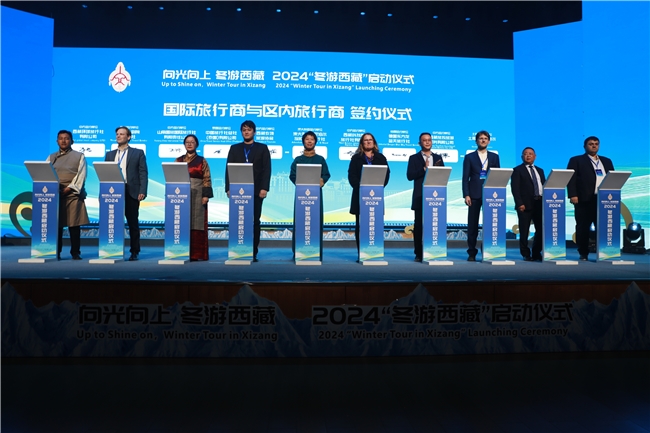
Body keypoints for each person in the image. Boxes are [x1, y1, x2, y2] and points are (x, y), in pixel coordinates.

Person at [225, 120, 271, 262]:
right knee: (238, 220)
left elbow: (267, 169)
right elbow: (228, 168)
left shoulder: (262, 148)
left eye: (249, 130)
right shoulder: (234, 148)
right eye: (244, 130)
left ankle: (253, 252)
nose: (246, 132)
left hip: (256, 191)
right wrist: (228, 188)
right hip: (238, 191)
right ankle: (238, 250)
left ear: (254, 132)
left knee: (254, 221)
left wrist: (264, 188)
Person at [567, 136, 615, 261]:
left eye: (596, 144)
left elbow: (613, 179)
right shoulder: (576, 160)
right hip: (584, 199)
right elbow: (571, 179)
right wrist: (573, 194)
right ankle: (583, 253)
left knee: (603, 227)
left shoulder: (607, 161)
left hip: (603, 200)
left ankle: (604, 253)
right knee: (583, 227)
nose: (594, 146)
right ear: (585, 146)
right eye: (591, 144)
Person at [104, 126, 148, 261]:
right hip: (113, 193)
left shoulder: (138, 153)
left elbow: (143, 173)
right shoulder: (110, 155)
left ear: (128, 137)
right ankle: (112, 250)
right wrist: (102, 194)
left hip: (131, 192)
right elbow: (105, 176)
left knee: (132, 223)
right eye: (117, 134)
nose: (118, 136)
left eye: (122, 134)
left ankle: (134, 251)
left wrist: (142, 191)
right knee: (113, 222)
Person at [47, 130, 90, 260]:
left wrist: (70, 188)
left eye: (66, 138)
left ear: (72, 141)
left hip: (73, 194)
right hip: (55, 194)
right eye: (61, 138)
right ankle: (56, 252)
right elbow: (45, 173)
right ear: (57, 141)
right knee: (57, 225)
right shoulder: (51, 157)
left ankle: (75, 252)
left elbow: (81, 175)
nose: (63, 141)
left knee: (74, 224)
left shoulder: (79, 156)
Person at [289, 131, 331, 257]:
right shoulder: (298, 160)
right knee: (300, 221)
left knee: (316, 221)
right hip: (301, 195)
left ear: (315, 142)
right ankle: (298, 251)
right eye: (307, 139)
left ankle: (316, 251)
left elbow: (326, 174)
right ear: (303, 142)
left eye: (312, 139)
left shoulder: (320, 159)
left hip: (316, 195)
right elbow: (292, 175)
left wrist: (322, 181)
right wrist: (300, 183)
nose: (309, 141)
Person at [348, 132, 390, 255]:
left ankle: (375, 252)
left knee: (376, 224)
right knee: (361, 225)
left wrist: (379, 187)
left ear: (374, 142)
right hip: (360, 196)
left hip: (376, 197)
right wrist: (362, 189)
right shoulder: (356, 158)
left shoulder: (381, 158)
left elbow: (386, 174)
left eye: (370, 139)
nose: (368, 142)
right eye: (365, 140)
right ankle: (362, 253)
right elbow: (352, 176)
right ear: (362, 143)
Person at [462, 130, 500, 261]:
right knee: (472, 225)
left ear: (489, 141)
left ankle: (488, 251)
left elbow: (497, 176)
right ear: (476, 141)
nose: (483, 140)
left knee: (490, 224)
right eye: (480, 138)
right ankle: (472, 253)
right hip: (474, 194)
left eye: (485, 138)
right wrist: (466, 194)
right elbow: (465, 178)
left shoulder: (494, 157)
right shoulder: (469, 157)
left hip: (490, 195)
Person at [406, 132, 445, 262]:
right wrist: (424, 169)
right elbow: (409, 175)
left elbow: (443, 175)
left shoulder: (438, 158)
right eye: (424, 140)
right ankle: (418, 253)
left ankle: (434, 251)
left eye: (429, 140)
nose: (427, 142)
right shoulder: (414, 158)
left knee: (434, 224)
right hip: (420, 196)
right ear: (420, 143)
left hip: (435, 197)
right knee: (419, 226)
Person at [176, 134, 213, 261]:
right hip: (180, 195)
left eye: (192, 142)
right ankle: (180, 251)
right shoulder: (178, 160)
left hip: (198, 194)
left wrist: (205, 195)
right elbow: (173, 177)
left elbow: (207, 178)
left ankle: (197, 254)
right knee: (182, 221)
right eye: (187, 142)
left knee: (197, 222)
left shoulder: (202, 160)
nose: (189, 144)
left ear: (196, 144)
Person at [511, 147, 546, 261]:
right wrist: (519, 203)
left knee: (541, 230)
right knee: (524, 230)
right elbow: (515, 189)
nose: (528, 155)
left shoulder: (540, 170)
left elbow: (544, 186)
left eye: (530, 154)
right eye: (525, 154)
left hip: (539, 203)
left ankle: (536, 252)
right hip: (525, 205)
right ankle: (525, 253)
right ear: (522, 156)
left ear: (535, 156)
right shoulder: (517, 170)